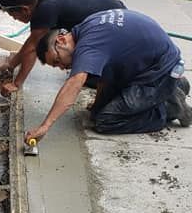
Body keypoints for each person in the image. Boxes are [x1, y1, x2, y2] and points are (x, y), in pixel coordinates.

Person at [24, 8, 191, 146]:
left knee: (106, 120)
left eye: (57, 60)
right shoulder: (87, 28)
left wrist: (45, 126)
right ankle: (174, 86)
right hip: (151, 63)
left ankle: (170, 107)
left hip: (158, 71)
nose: (62, 67)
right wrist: (97, 106)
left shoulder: (87, 46)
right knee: (97, 113)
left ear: (60, 40)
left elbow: (74, 83)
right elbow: (105, 75)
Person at [0, 0, 126, 95]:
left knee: (89, 77)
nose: (14, 19)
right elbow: (32, 42)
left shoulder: (45, 10)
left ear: (25, 10)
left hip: (117, 26)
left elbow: (32, 48)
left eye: (13, 15)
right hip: (116, 13)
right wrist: (11, 65)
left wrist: (16, 84)